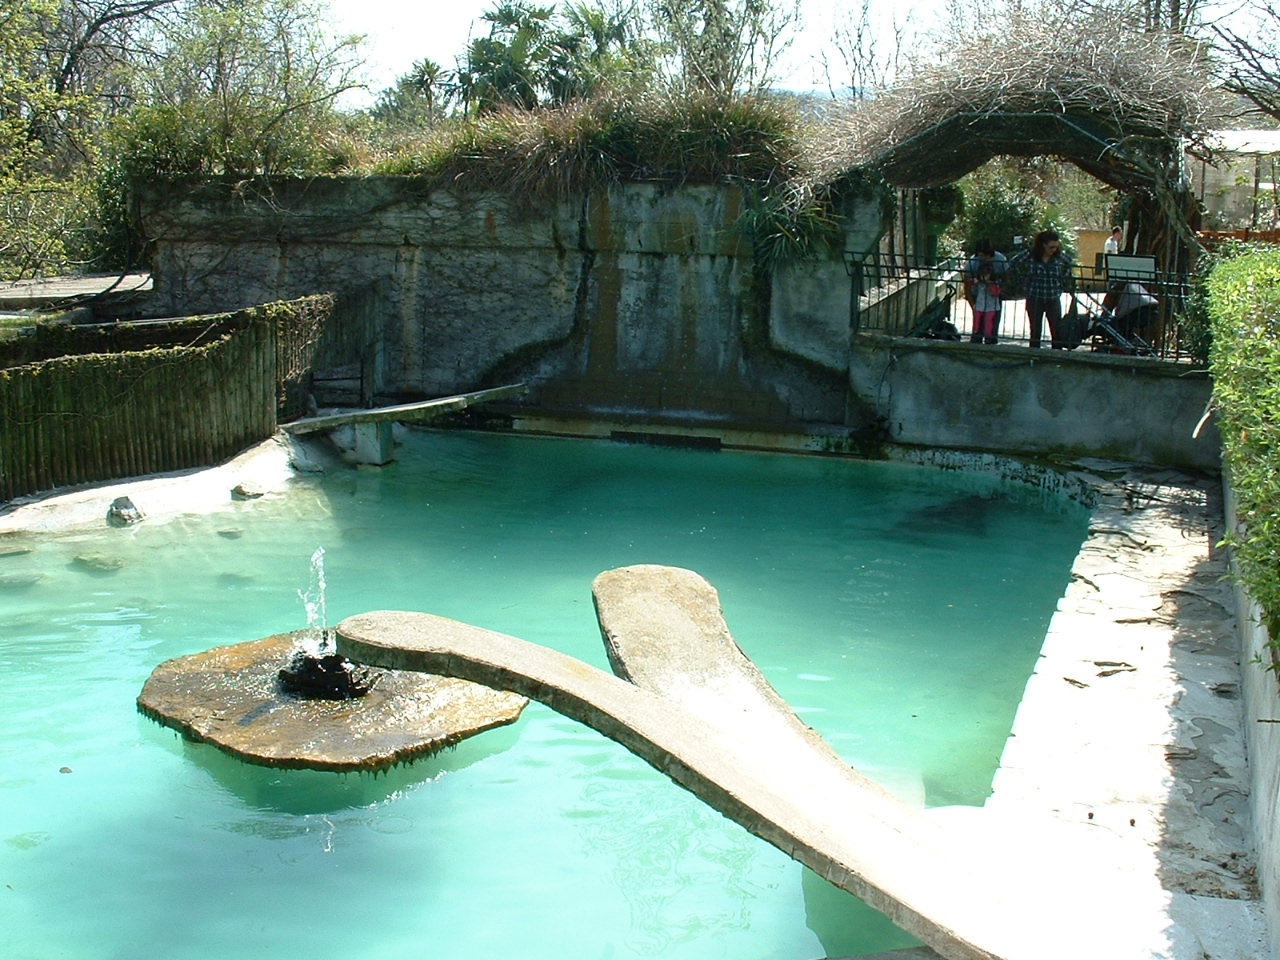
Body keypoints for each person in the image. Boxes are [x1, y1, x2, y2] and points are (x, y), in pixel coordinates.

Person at [1012, 230, 1074, 348]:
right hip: (1035, 297)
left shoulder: (1058, 256)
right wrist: (1023, 281)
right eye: (1051, 247)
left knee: (1056, 330)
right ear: (1043, 245)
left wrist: (1062, 281)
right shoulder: (1031, 255)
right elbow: (1014, 262)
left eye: (1056, 247)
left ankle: (1056, 356)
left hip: (1053, 297)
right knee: (1035, 331)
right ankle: (1034, 357)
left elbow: (1069, 262)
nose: (1053, 250)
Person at [963, 239, 1008, 344]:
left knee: (992, 322)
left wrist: (999, 290)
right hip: (977, 295)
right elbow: (967, 283)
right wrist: (971, 302)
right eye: (981, 256)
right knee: (978, 322)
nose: (984, 258)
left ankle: (991, 340)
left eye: (986, 256)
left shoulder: (1000, 259)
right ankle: (976, 339)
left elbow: (1007, 277)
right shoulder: (973, 262)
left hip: (994, 296)